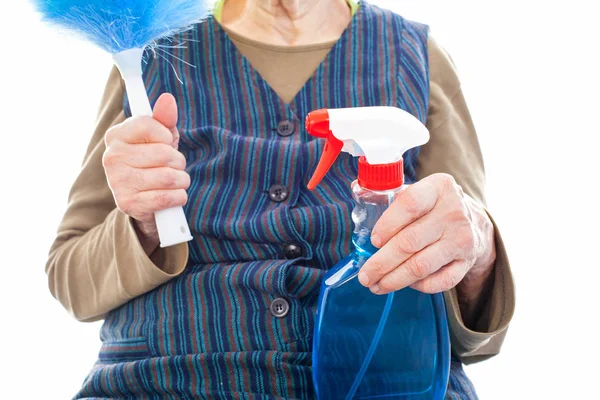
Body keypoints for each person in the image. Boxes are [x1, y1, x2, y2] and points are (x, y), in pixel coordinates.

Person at [46, 0, 515, 398]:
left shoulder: (416, 54)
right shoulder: (151, 57)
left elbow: (475, 327)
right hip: (163, 380)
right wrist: (143, 222)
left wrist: (476, 249)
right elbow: (73, 283)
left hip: (384, 383)